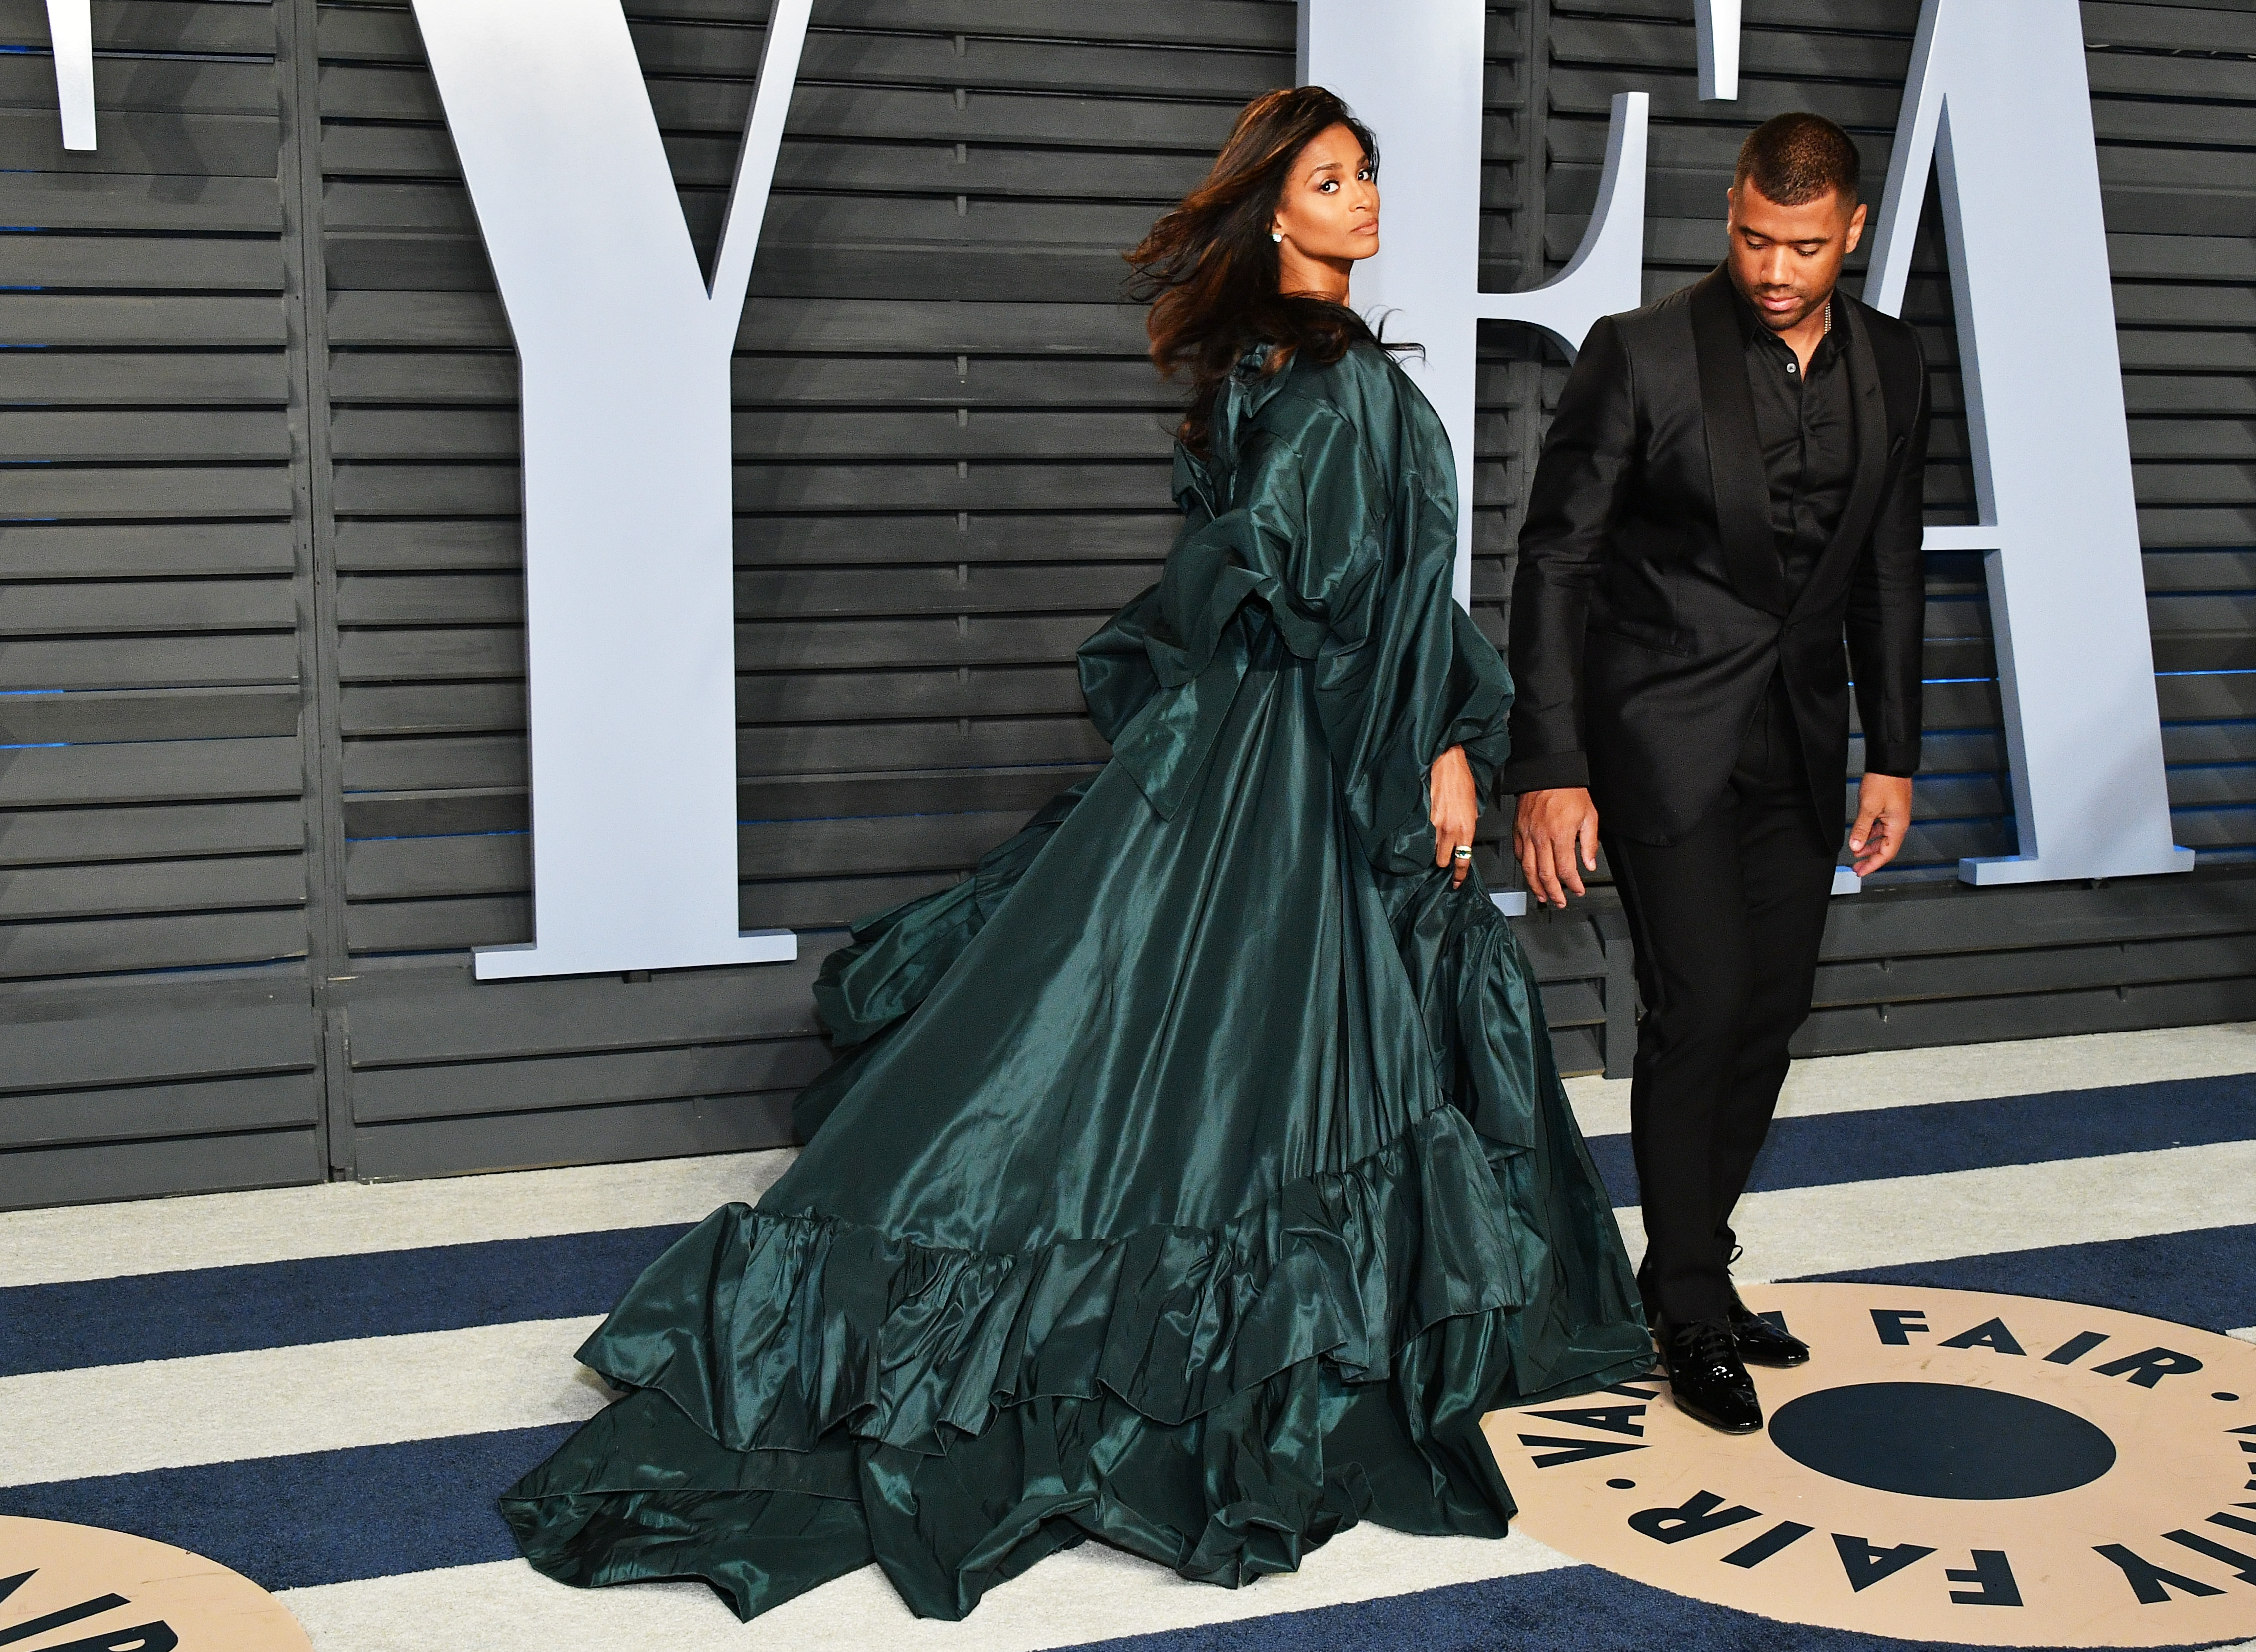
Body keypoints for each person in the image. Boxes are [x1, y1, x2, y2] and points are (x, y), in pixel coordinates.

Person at [499, 86, 1651, 1624]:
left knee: (1185, 1046)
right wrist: (1437, 749)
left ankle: (1230, 1322)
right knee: (1227, 1053)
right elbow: (1343, 603)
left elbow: (1333, 594)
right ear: (1275, 213)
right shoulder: (1327, 387)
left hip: (1264, 750)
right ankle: (1228, 1348)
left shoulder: (1287, 372)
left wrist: (1434, 726)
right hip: (1298, 763)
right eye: (1331, 178)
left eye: (1368, 171)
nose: (1365, 197)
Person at [1505, 111, 1930, 1435]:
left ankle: (1690, 1251)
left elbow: (1885, 567)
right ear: (1730, 216)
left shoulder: (1892, 362)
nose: (1771, 267)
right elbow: (1554, 560)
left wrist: (1894, 757)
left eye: (1801, 245)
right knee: (1700, 1004)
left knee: (1772, 1005)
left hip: (1799, 739)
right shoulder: (1639, 354)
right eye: (1751, 236)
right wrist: (1552, 765)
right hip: (1656, 734)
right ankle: (1687, 1299)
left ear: (1850, 232)